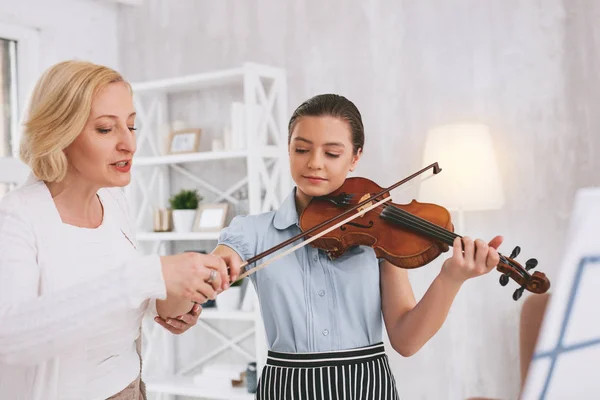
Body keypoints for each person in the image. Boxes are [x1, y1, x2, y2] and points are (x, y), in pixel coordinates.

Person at [211, 94, 503, 399]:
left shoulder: (380, 232)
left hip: (366, 387)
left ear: (355, 158)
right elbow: (216, 266)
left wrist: (451, 277)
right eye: (301, 149)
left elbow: (406, 340)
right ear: (288, 150)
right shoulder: (253, 231)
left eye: (332, 154)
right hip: (287, 389)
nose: (314, 163)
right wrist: (207, 279)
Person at [0, 60, 231, 400]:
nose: (129, 145)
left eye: (132, 127)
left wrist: (170, 299)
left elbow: (117, 296)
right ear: (59, 132)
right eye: (106, 129)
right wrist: (148, 275)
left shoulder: (113, 200)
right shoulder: (16, 217)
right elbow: (12, 340)